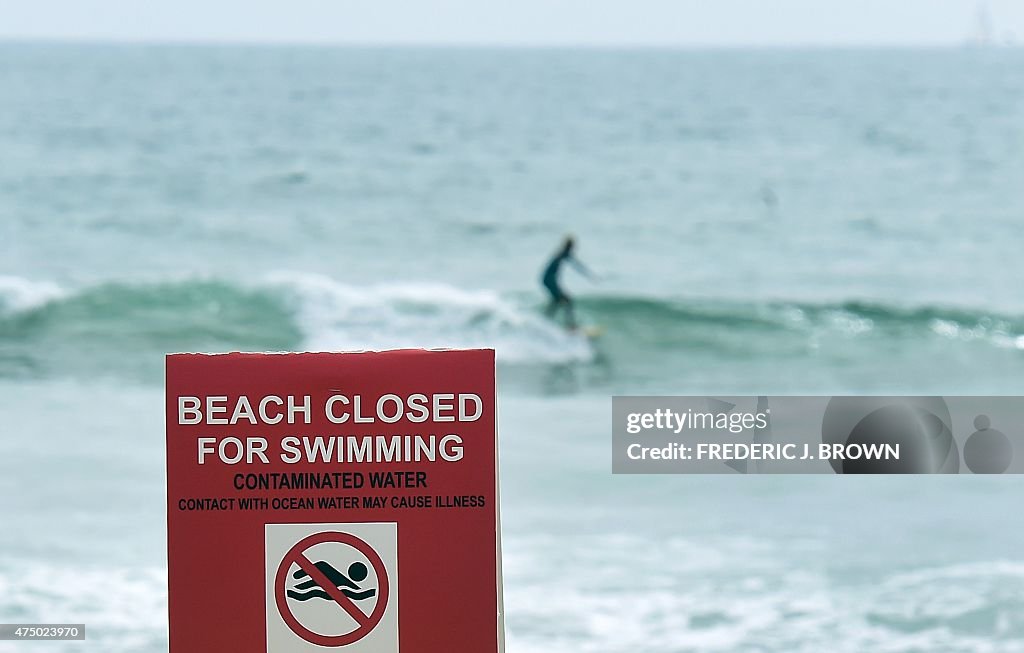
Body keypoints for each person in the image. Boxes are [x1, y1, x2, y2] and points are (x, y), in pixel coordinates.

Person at [540, 235, 594, 329]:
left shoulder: (561, 253)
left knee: (557, 300)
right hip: (549, 280)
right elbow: (576, 265)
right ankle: (571, 325)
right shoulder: (562, 254)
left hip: (548, 279)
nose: (573, 248)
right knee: (567, 300)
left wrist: (588, 274)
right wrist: (589, 275)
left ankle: (545, 322)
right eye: (572, 246)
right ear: (569, 246)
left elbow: (575, 264)